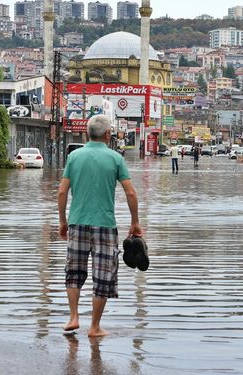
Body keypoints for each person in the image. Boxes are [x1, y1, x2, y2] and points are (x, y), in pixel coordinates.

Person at [58, 115, 144, 337]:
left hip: (77, 224)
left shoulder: (74, 157)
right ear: (108, 135)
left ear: (88, 133)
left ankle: (74, 317)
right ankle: (94, 327)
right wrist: (135, 222)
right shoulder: (116, 158)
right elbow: (131, 193)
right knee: (103, 276)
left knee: (74, 272)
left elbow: (61, 192)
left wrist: (62, 221)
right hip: (105, 226)